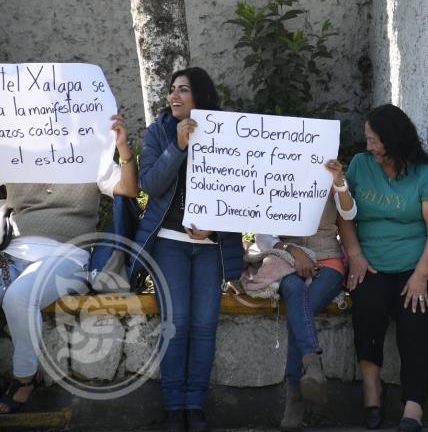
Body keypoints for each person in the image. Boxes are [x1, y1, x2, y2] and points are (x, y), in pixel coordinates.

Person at [0, 115, 139, 413]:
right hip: (10, 254)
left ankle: (25, 377)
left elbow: (129, 190)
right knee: (17, 296)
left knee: (18, 298)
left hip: (66, 258)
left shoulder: (90, 159)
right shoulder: (15, 153)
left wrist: (123, 148)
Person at [134, 67, 243, 432]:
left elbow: (241, 192)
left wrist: (218, 223)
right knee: (176, 323)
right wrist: (177, 147)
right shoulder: (159, 131)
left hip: (211, 247)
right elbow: (150, 182)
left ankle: (195, 405)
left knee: (204, 325)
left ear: (202, 96)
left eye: (183, 90)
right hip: (170, 245)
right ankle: (172, 407)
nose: (174, 96)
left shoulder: (228, 131)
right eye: (171, 90)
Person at [344, 104, 428, 432]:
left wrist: (420, 277)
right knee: (367, 308)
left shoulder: (426, 174)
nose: (368, 147)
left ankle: (414, 405)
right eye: (367, 140)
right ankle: (372, 392)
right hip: (371, 263)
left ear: (394, 140)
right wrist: (356, 255)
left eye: (374, 140)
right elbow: (343, 215)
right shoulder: (360, 166)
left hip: (418, 265)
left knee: (414, 320)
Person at [254, 159, 356, 432]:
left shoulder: (331, 180)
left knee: (302, 310)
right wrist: (290, 249)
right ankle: (312, 364)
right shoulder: (276, 177)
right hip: (288, 260)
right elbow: (262, 235)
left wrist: (338, 181)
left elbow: (349, 213)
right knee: (298, 296)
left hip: (329, 261)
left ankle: (295, 397)